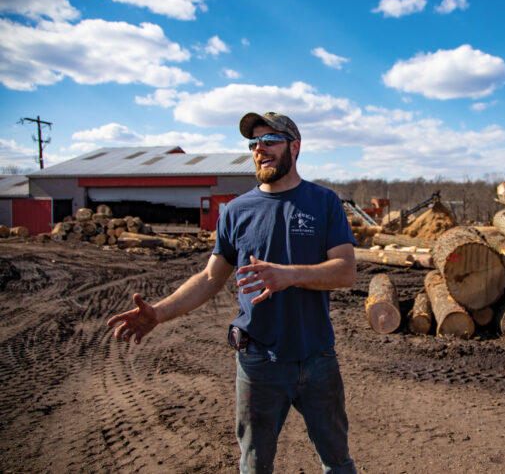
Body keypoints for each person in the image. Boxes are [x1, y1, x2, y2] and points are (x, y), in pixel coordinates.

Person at [107, 111, 357, 474]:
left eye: (270, 140)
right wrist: (159, 312)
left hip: (317, 357)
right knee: (254, 465)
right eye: (253, 143)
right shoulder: (237, 211)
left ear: (295, 147)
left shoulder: (324, 202)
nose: (259, 149)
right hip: (258, 362)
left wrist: (288, 275)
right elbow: (210, 278)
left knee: (337, 462)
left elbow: (346, 271)